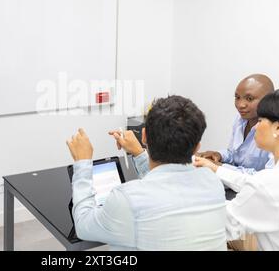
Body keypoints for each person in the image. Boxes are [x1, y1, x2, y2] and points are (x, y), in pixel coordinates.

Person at [66, 96, 227, 250]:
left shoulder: (127, 200)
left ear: (143, 136)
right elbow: (162, 188)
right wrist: (139, 154)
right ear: (198, 147)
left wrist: (82, 163)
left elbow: (83, 225)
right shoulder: (213, 183)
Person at [195, 87, 279, 250]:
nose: (255, 127)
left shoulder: (268, 184)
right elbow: (255, 185)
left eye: (260, 121)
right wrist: (215, 169)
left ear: (278, 128)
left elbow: (221, 226)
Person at [198, 74, 275, 192]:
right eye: (237, 97)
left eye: (249, 99)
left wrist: (218, 167)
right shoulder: (240, 120)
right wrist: (218, 155)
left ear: (269, 100)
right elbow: (235, 154)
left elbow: (264, 178)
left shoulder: (276, 130)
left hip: (255, 190)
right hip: (234, 185)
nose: (240, 105)